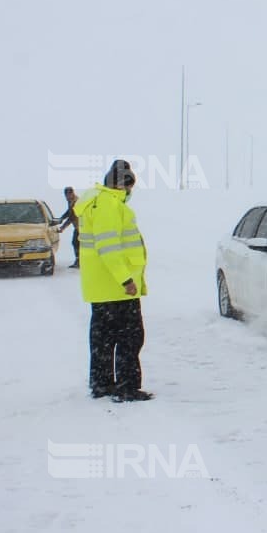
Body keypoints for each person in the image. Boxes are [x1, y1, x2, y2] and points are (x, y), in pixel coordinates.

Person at [75, 160, 152, 401]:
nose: (129, 191)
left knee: (103, 339)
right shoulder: (109, 204)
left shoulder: (96, 201)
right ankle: (127, 387)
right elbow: (108, 247)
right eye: (127, 185)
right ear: (118, 185)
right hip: (117, 288)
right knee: (131, 337)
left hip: (102, 288)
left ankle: (102, 383)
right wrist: (126, 279)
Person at [55, 187, 80, 268]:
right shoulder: (70, 201)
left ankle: (79, 261)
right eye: (66, 195)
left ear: (72, 193)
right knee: (76, 243)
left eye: (69, 194)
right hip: (77, 226)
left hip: (81, 227)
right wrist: (61, 218)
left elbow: (72, 217)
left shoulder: (76, 202)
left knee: (76, 243)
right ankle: (79, 261)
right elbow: (68, 212)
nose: (67, 197)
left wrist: (63, 227)